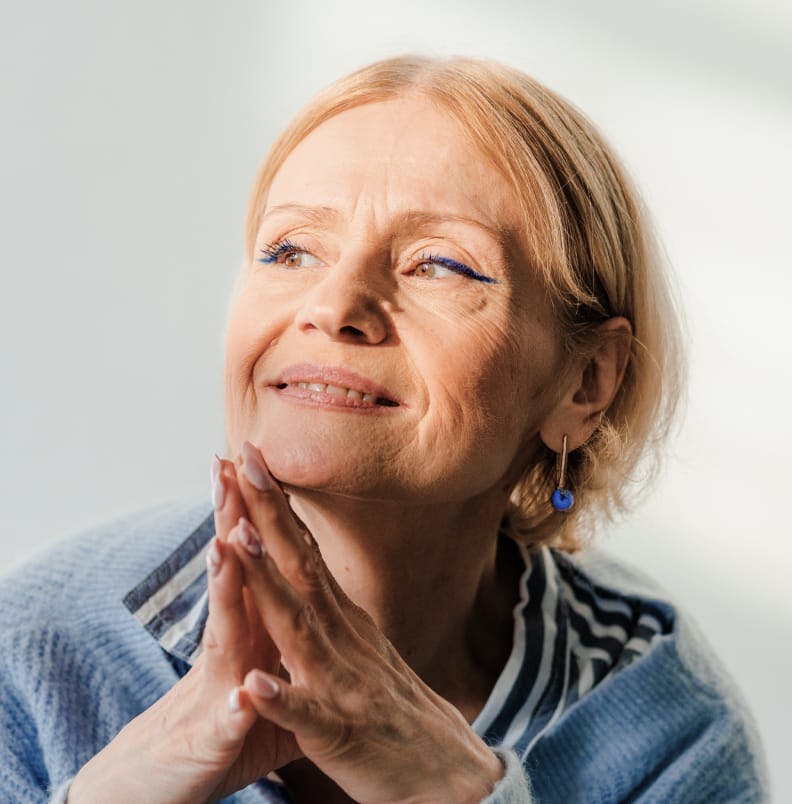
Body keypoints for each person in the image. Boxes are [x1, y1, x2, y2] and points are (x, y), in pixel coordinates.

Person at [0, 55, 768, 803]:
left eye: (440, 265)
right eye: (290, 250)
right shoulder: (29, 646)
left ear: (585, 383)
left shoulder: (670, 730)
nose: (333, 307)